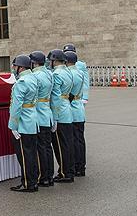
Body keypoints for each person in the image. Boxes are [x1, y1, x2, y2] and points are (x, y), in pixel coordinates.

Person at [8, 54, 39, 192]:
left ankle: (28, 183)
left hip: (23, 123)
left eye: (15, 66)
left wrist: (13, 125)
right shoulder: (33, 78)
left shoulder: (21, 82)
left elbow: (16, 106)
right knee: (32, 153)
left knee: (24, 155)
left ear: (20, 67)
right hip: (32, 119)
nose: (14, 68)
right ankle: (33, 180)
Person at [48, 49, 75, 183]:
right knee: (68, 144)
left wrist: (55, 117)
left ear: (54, 61)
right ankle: (69, 170)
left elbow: (56, 97)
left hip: (60, 112)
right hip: (68, 110)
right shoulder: (68, 72)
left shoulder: (56, 74)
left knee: (60, 145)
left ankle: (65, 172)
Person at [29, 51, 55, 187]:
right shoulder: (49, 74)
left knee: (40, 148)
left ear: (34, 63)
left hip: (38, 113)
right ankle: (49, 175)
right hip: (47, 113)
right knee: (47, 147)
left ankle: (42, 176)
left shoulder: (35, 76)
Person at [64, 47, 87, 177]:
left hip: (72, 108)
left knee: (73, 140)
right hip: (79, 108)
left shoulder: (70, 74)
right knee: (80, 139)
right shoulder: (79, 72)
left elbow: (69, 94)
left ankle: (76, 166)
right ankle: (81, 166)